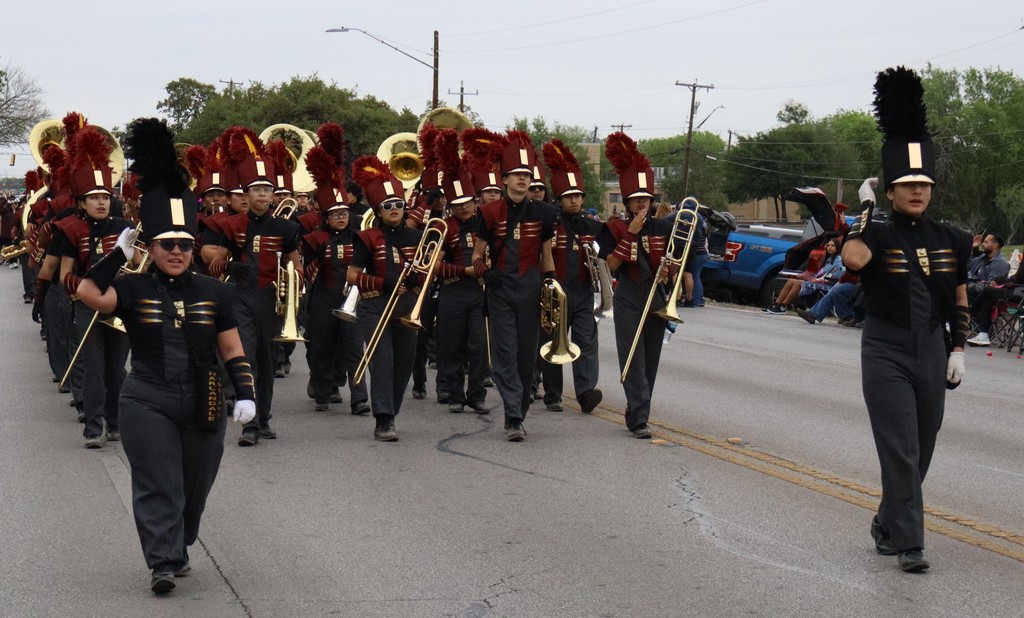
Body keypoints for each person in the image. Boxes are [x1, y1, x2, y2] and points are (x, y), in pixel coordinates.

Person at [75, 117, 256, 594]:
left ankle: (180, 540)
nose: (176, 251)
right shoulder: (132, 287)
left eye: (183, 244)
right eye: (166, 245)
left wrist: (247, 395)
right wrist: (118, 253)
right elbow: (89, 293)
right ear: (151, 248)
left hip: (206, 397)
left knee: (194, 488)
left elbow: (232, 348)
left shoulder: (215, 292)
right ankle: (162, 561)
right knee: (159, 483)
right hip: (147, 399)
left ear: (193, 248)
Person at [842, 67, 971, 573]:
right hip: (885, 347)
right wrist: (862, 216)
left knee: (924, 445)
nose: (916, 191)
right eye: (906, 184)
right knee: (899, 446)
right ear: (889, 191)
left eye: (923, 183)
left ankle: (887, 522)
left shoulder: (953, 238)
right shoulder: (873, 232)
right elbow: (852, 262)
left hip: (932, 346)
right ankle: (911, 543)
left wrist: (959, 348)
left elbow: (959, 294)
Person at [203, 127, 302, 446]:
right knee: (245, 358)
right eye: (256, 189)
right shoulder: (232, 225)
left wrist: (293, 287)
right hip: (240, 298)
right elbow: (212, 261)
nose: (261, 195)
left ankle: (265, 419)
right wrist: (231, 265)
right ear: (245, 194)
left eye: (267, 190)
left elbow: (295, 267)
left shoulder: (287, 228)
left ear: (273, 195)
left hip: (271, 299)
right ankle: (248, 424)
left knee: (268, 360)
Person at [467, 129, 556, 441]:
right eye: (517, 175)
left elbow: (546, 255)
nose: (523, 180)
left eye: (527, 175)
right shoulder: (489, 212)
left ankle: (519, 409)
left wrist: (550, 284)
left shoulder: (545, 212)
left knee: (526, 357)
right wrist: (484, 273)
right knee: (505, 354)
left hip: (531, 290)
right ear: (504, 179)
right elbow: (477, 254)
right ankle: (513, 416)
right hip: (501, 290)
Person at [598, 132, 676, 439]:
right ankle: (640, 416)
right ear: (627, 202)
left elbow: (670, 264)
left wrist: (670, 270)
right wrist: (630, 234)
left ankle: (638, 410)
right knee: (633, 357)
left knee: (651, 360)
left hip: (655, 296)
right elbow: (611, 267)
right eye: (636, 199)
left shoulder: (662, 226)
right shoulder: (614, 228)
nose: (642, 203)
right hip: (628, 296)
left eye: (646, 199)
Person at [59, 124, 133, 447]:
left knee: (117, 369)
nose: (101, 203)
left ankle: (115, 421)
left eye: (105, 197)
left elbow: (137, 263)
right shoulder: (71, 229)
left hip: (118, 304)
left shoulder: (125, 227)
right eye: (94, 198)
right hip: (87, 306)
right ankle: (93, 427)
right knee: (93, 368)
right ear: (83, 201)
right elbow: (64, 274)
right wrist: (84, 287)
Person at [347, 155, 424, 441]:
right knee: (382, 359)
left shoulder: (419, 238)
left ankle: (391, 410)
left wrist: (420, 278)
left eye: (399, 205)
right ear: (379, 211)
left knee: (405, 361)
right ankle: (384, 418)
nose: (394, 209)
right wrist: (383, 281)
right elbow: (352, 275)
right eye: (388, 206)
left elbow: (430, 270)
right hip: (375, 304)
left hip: (407, 306)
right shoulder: (368, 237)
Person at [301, 122, 370, 414]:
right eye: (335, 214)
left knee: (354, 349)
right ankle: (323, 392)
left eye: (344, 212)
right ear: (325, 217)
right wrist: (322, 257)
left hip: (351, 298)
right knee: (322, 348)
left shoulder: (360, 236)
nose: (341, 217)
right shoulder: (313, 238)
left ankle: (359, 398)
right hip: (324, 297)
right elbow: (305, 272)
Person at [538, 138, 603, 415]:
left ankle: (586, 392)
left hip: (583, 291)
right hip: (555, 290)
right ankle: (553, 394)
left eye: (578, 196)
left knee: (586, 341)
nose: (575, 201)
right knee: (554, 341)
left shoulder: (593, 226)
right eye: (569, 197)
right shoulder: (549, 223)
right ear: (560, 199)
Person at [432, 128, 489, 413]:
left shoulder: (486, 224)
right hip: (453, 291)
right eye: (458, 205)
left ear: (474, 201)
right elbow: (433, 266)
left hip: (481, 293)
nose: (464, 208)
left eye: (467, 202)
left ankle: (477, 395)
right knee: (451, 346)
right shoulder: (445, 228)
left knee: (479, 346)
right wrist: (464, 270)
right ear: (450, 207)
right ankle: (455, 395)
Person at [764, 238, 844, 314]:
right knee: (791, 281)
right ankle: (776, 304)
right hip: (819, 281)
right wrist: (812, 278)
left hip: (828, 284)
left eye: (832, 246)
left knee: (798, 283)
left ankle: (783, 306)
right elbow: (820, 274)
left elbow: (833, 277)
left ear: (837, 247)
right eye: (828, 245)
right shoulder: (829, 259)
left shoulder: (838, 260)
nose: (829, 247)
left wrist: (815, 280)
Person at [966, 233, 1008, 300]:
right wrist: (971, 247)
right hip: (969, 291)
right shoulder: (983, 257)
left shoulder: (1001, 263)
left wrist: (966, 285)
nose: (982, 244)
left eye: (986, 242)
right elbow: (967, 266)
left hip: (979, 299)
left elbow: (990, 288)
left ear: (994, 245)